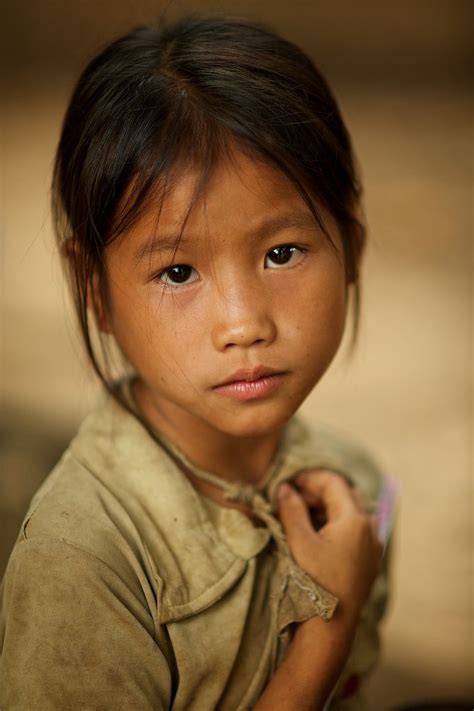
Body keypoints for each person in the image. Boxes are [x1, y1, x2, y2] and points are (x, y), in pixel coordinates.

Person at [0, 13, 397, 710]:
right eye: (178, 271)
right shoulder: (83, 560)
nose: (245, 323)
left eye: (282, 253)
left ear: (353, 249)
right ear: (96, 290)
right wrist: (324, 626)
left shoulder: (352, 487)